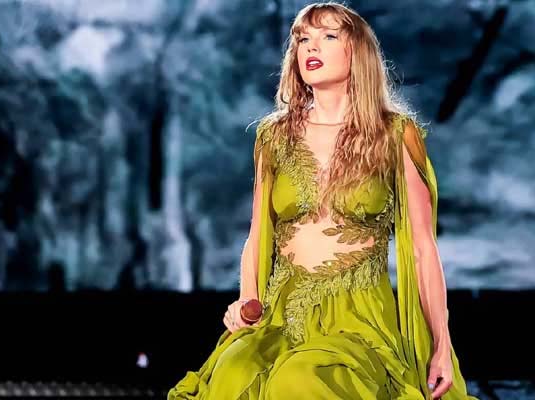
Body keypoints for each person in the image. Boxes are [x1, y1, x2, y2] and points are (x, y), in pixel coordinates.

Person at [168, 2, 478, 399]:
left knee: (299, 380)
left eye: (329, 36)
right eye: (302, 39)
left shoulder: (395, 135)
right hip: (281, 313)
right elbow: (258, 234)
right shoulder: (273, 136)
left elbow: (422, 248)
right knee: (233, 374)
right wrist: (247, 298)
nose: (310, 47)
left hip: (357, 316)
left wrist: (441, 346)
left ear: (357, 52)